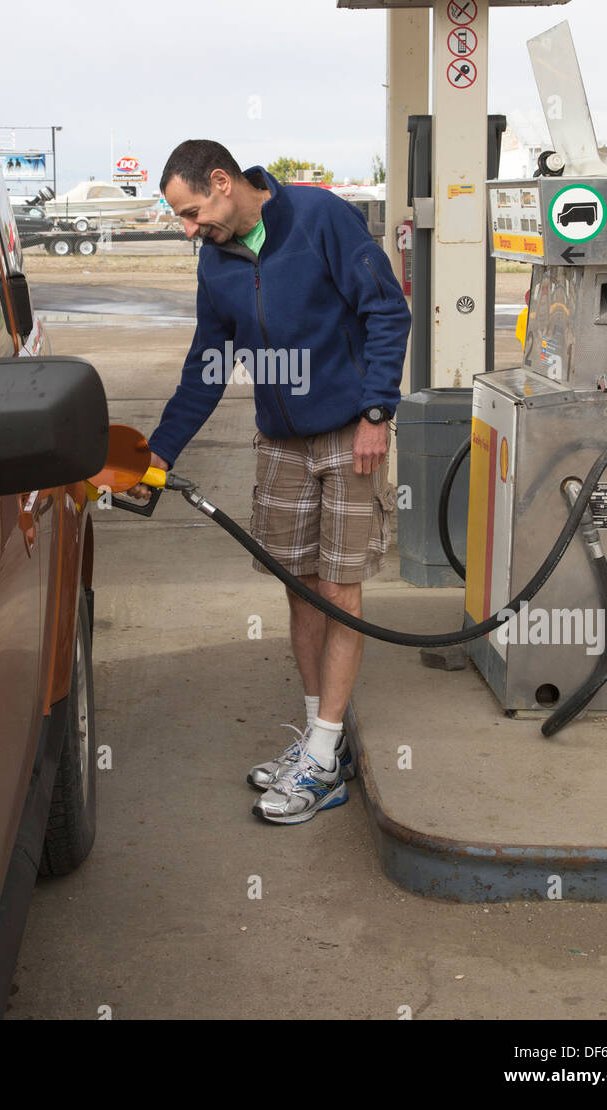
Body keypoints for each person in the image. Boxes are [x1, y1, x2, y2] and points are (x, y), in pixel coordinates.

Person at [133, 140, 410, 825]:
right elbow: (208, 362)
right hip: (280, 440)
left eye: (193, 213)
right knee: (301, 589)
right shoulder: (217, 261)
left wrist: (377, 410)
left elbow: (387, 313)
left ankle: (323, 755)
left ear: (223, 183)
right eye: (182, 220)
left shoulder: (321, 219)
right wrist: (160, 451)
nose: (190, 230)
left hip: (351, 433)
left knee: (341, 589)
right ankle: (321, 741)